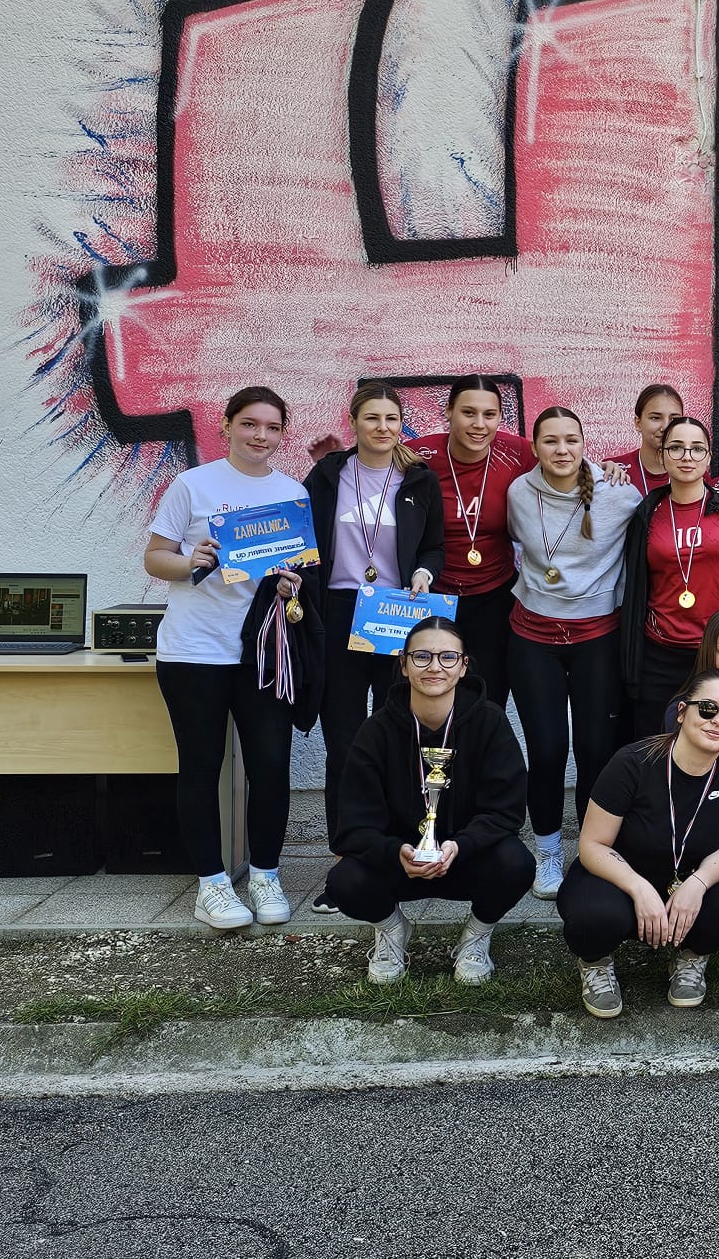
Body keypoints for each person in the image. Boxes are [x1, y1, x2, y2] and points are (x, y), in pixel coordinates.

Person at [144, 385, 310, 930]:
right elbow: (155, 559)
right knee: (200, 766)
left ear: (282, 434)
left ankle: (264, 874)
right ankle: (212, 885)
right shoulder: (193, 484)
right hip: (195, 649)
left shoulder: (292, 494)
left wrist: (290, 583)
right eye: (250, 424)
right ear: (227, 425)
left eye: (272, 427)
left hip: (263, 653)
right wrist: (191, 560)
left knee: (271, 767)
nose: (261, 436)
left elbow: (297, 569)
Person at [325, 618, 536, 985]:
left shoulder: (489, 722)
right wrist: (395, 852)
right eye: (422, 656)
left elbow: (506, 811)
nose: (435, 667)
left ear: (463, 666)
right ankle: (392, 928)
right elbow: (354, 826)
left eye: (447, 657)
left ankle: (476, 936)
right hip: (400, 864)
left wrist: (461, 845)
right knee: (344, 880)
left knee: (517, 863)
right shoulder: (376, 731)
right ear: (404, 665)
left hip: (464, 860)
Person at [305, 382, 445, 910]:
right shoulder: (327, 476)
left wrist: (425, 572)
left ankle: (405, 852)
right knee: (343, 744)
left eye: (391, 419)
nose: (382, 428)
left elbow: (434, 545)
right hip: (339, 611)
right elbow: (303, 540)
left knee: (401, 736)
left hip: (394, 613)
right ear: (354, 422)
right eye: (372, 418)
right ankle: (347, 861)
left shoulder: (419, 479)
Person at [558, 671, 719, 1016]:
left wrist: (698, 884)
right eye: (707, 709)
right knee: (593, 916)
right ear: (682, 712)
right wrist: (638, 887)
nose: (718, 721)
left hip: (688, 876)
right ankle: (595, 962)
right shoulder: (632, 762)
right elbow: (592, 845)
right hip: (619, 878)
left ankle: (691, 956)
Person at [505, 406, 642, 899]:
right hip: (533, 638)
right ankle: (547, 852)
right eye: (550, 441)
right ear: (535, 447)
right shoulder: (518, 492)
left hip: (596, 639)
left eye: (571, 440)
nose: (562, 450)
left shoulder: (620, 493)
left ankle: (591, 851)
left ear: (585, 444)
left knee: (595, 752)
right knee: (545, 751)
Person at [620, 416, 719, 730]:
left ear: (708, 457)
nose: (686, 456)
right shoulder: (646, 513)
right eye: (676, 448)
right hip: (662, 654)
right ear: (662, 455)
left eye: (697, 449)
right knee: (659, 742)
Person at [410, 376, 536, 713]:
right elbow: (369, 468)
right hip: (433, 596)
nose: (479, 424)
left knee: (487, 702)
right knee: (432, 702)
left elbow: (566, 460)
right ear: (448, 411)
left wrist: (607, 470)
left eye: (489, 415)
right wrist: (333, 461)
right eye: (468, 412)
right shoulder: (419, 453)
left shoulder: (518, 452)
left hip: (494, 597)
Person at [612, 383, 684, 495]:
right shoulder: (614, 469)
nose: (665, 426)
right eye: (655, 418)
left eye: (674, 419)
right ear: (638, 423)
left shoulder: (693, 472)